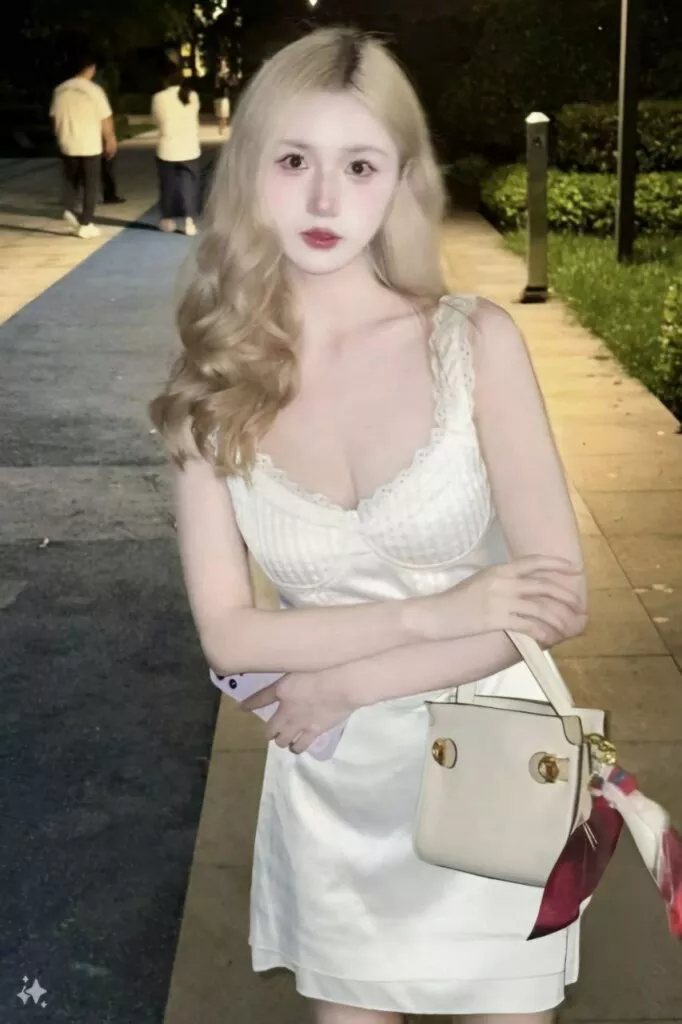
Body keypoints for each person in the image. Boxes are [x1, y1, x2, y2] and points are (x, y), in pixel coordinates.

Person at [150, 28, 589, 1024]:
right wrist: (442, 611)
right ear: (248, 170)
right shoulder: (211, 388)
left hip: (491, 758)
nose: (322, 200)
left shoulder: (472, 342)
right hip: (337, 782)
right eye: (292, 160)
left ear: (400, 178)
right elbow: (230, 635)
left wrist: (348, 681)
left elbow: (559, 598)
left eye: (358, 166)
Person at [50, 50, 118, 239]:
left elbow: (54, 118)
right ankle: (86, 222)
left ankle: (69, 209)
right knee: (90, 184)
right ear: (91, 69)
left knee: (71, 181)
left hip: (67, 142)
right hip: (89, 143)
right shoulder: (94, 90)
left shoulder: (60, 89)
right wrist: (110, 139)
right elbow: (105, 118)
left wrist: (59, 134)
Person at [151, 68, 201, 236]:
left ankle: (167, 220)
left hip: (167, 148)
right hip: (190, 148)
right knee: (189, 186)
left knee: (168, 185)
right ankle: (189, 222)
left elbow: (156, 120)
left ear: (166, 80)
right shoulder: (192, 96)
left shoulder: (158, 98)